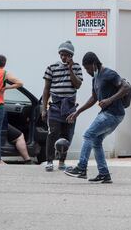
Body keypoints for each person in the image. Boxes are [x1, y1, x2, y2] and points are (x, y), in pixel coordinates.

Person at [64, 52, 130, 183]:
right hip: (109, 114)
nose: (87, 71)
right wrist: (78, 112)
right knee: (96, 141)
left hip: (113, 113)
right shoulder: (95, 78)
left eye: (88, 68)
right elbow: (94, 98)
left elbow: (126, 87)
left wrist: (110, 100)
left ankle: (81, 168)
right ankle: (104, 174)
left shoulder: (109, 74)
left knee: (88, 135)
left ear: (94, 64)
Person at [42, 40, 83, 171]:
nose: (63, 57)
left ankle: (61, 162)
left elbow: (78, 85)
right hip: (55, 106)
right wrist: (43, 109)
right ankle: (49, 161)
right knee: (52, 134)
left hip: (70, 107)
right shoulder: (52, 68)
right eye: (61, 54)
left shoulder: (76, 67)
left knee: (67, 135)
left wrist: (70, 69)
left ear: (71, 55)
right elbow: (46, 89)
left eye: (66, 54)